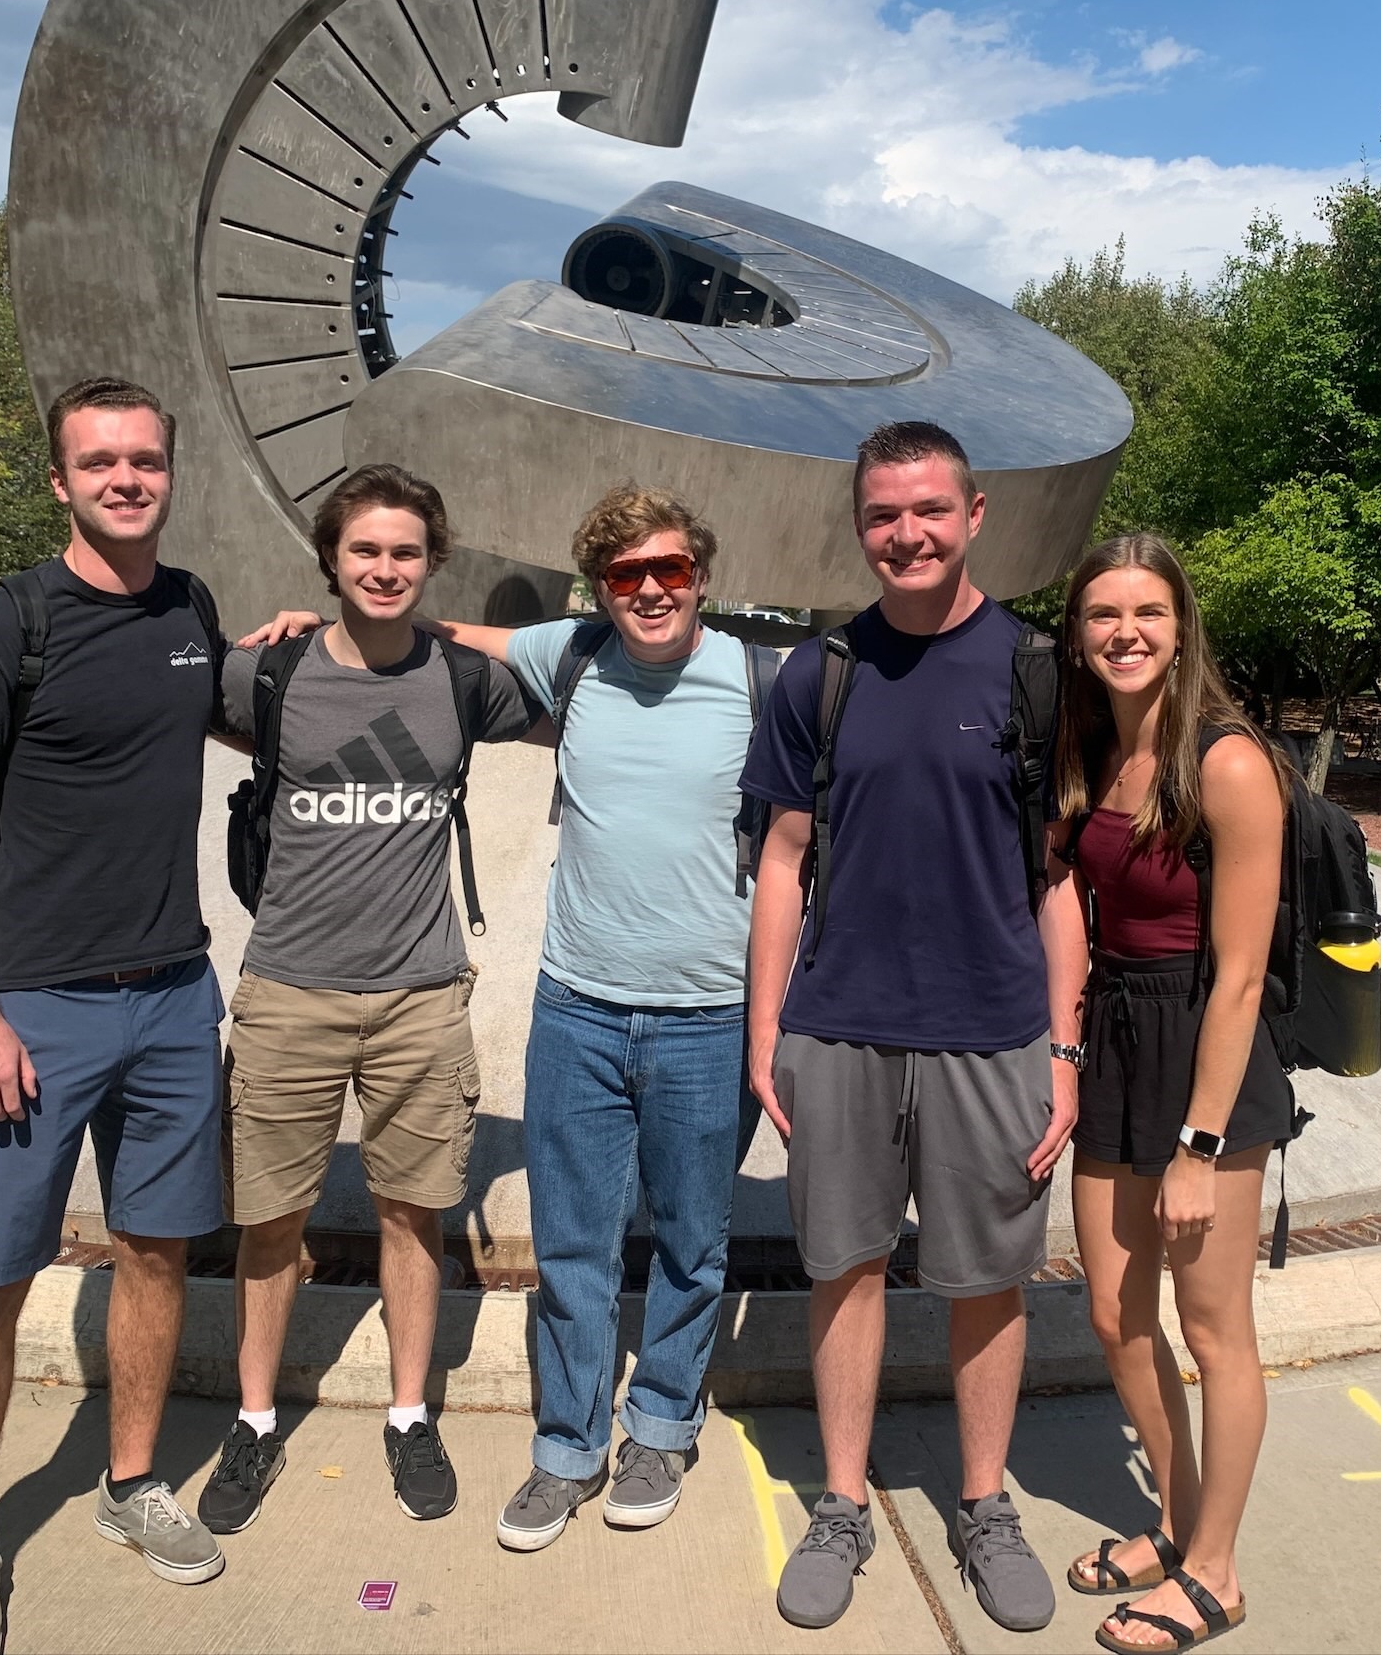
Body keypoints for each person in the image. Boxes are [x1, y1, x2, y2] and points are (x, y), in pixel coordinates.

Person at [0, 375, 315, 1655]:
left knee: (155, 1249)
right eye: (99, 461)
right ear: (60, 479)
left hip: (172, 994)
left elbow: (193, 715)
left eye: (143, 459)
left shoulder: (188, 606)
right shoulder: (4, 629)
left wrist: (296, 650)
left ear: (167, 470)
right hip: (34, 1011)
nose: (125, 478)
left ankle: (132, 1483)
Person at [743, 420, 1071, 1636]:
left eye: (929, 510)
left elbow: (1057, 878)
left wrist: (1066, 1047)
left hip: (993, 1029)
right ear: (859, 525)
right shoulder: (817, 674)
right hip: (839, 1023)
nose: (907, 533)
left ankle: (983, 1504)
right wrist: (763, 1023)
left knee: (986, 1279)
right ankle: (840, 1502)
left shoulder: (1036, 671)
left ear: (974, 514)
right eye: (883, 514)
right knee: (843, 1266)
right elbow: (781, 861)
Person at [424, 487, 765, 1551]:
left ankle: (661, 1422)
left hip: (709, 1015)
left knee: (691, 1243)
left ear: (700, 574)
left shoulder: (763, 675)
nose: (650, 588)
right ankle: (565, 1448)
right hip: (577, 1008)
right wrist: (318, 621)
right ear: (599, 586)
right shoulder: (569, 653)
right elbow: (438, 630)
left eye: (668, 569)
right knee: (571, 1245)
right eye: (626, 574)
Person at [199, 465, 535, 1536]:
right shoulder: (270, 675)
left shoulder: (460, 680)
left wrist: (449, 626)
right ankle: (253, 1420)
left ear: (431, 562)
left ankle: (406, 1412)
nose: (381, 568)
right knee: (269, 1218)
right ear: (328, 560)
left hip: (419, 996)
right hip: (288, 987)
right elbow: (146, 680)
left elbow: (578, 663)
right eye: (362, 552)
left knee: (412, 1212)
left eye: (403, 552)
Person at [1043, 535, 1291, 1654]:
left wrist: (1197, 1145)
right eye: (1101, 613)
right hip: (1115, 1039)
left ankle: (1216, 1570)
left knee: (1212, 1327)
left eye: (1145, 611)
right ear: (1078, 632)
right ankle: (1176, 1520)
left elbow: (1237, 975)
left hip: (1206, 1052)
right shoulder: (1094, 748)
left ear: (1180, 625)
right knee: (1109, 1310)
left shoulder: (1225, 761)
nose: (1124, 631)